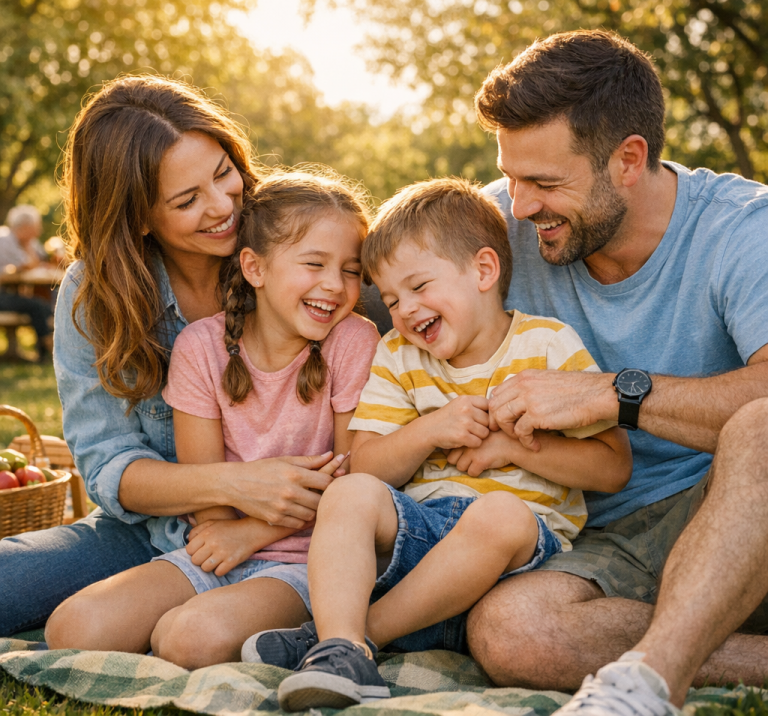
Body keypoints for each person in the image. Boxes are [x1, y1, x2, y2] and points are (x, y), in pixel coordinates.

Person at [461, 30, 768, 715]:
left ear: (628, 159)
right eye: (510, 176)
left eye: (543, 183)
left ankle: (648, 681)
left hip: (735, 505)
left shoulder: (742, 229)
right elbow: (350, 266)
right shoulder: (496, 229)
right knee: (512, 631)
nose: (519, 205)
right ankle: (710, 646)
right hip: (606, 536)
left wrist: (613, 394)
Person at [244, 178, 632, 711]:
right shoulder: (400, 355)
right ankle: (341, 644)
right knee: (350, 493)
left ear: (483, 270)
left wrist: (516, 450)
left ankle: (345, 640)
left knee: (501, 514)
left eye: (420, 286)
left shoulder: (547, 345)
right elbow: (366, 465)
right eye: (393, 298)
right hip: (418, 545)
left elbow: (613, 468)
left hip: (514, 565)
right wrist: (432, 428)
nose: (405, 310)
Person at [0, 76, 350, 638]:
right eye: (187, 201)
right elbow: (108, 463)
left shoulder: (293, 246)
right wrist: (232, 485)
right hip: (153, 533)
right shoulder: (94, 293)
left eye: (222, 174)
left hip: (307, 531)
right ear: (137, 217)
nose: (223, 208)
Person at [45, 169, 380, 666]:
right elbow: (205, 488)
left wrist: (252, 534)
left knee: (189, 638)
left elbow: (355, 477)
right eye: (314, 264)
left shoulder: (353, 341)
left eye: (351, 271)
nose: (334, 285)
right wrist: (227, 536)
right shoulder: (200, 346)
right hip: (216, 542)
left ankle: (327, 629)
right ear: (254, 267)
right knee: (72, 628)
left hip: (315, 557)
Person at [0, 204, 54, 360]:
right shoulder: (4, 241)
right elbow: (28, 264)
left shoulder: (30, 242)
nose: (39, 231)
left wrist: (28, 245)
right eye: (36, 227)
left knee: (45, 303)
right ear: (25, 226)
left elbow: (41, 261)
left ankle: (43, 352)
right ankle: (47, 349)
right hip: (3, 294)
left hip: (13, 292)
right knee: (36, 305)